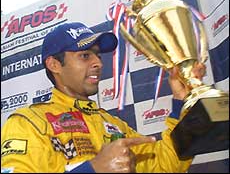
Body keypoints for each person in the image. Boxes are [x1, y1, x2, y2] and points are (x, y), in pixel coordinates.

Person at [1, 22, 206, 173]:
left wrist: (182, 101)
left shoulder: (113, 124)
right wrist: (93, 169)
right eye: (85, 55)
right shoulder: (29, 123)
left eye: (97, 55)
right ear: (54, 64)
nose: (98, 63)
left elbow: (165, 165)